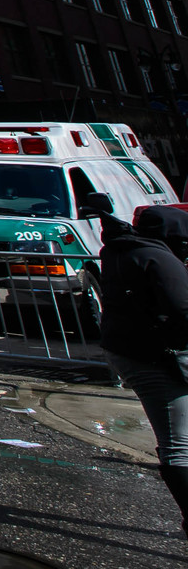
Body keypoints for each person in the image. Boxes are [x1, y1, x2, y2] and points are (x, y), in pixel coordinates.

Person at [96, 196, 188, 530]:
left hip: (131, 351)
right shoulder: (158, 258)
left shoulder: (120, 250)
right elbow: (182, 309)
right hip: (155, 356)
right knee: (178, 443)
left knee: (177, 438)